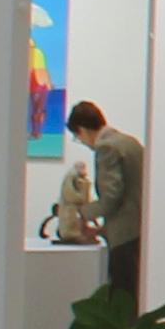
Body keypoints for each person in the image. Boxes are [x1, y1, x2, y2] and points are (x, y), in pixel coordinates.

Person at [64, 102, 144, 303]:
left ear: (82, 130)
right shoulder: (131, 143)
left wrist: (84, 213)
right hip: (140, 232)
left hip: (124, 238)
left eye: (78, 138)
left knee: (122, 301)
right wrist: (102, 230)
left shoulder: (106, 147)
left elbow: (111, 197)